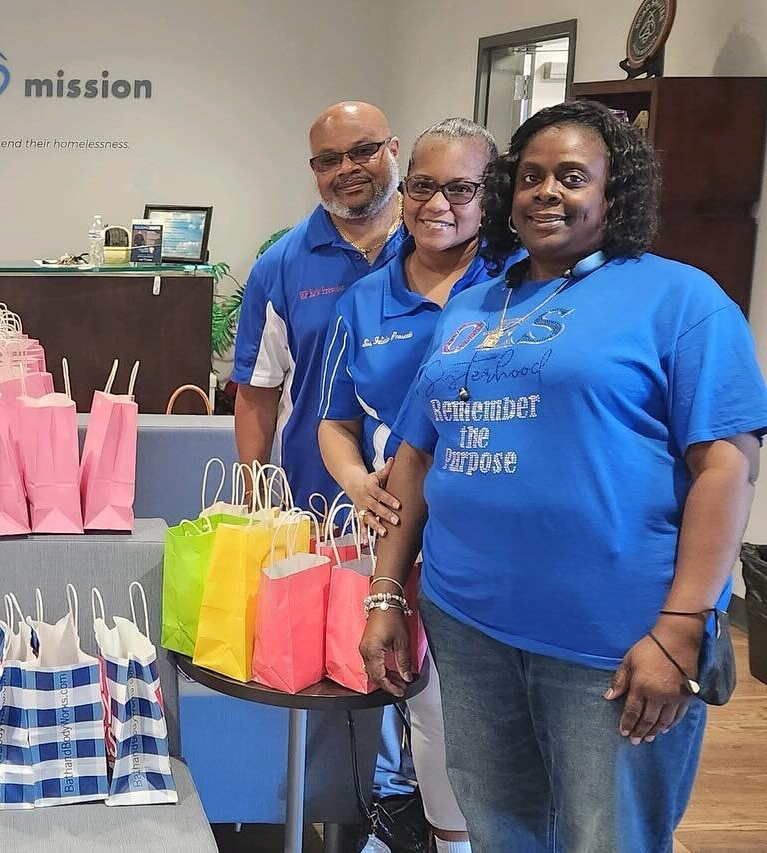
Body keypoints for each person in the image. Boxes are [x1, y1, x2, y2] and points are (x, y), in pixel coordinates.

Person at [361, 99, 767, 852]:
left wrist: (682, 625)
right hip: (468, 625)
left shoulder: (680, 301)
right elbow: (417, 456)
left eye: (574, 176)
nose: (549, 191)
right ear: (509, 191)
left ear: (615, 194)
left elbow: (725, 468)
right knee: (499, 828)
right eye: (534, 176)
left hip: (612, 641)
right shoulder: (473, 307)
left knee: (607, 838)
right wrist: (386, 591)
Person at [320, 117, 516, 853]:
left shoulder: (521, 288)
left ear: (489, 195)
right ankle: (447, 839)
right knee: (424, 700)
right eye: (425, 186)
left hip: (488, 534)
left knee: (491, 708)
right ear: (405, 191)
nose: (440, 203)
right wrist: (355, 485)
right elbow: (333, 421)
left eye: (461, 188)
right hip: (399, 536)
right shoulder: (364, 301)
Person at [230, 99, 417, 819]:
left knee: (428, 677)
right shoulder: (283, 265)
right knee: (338, 673)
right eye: (328, 160)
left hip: (437, 507)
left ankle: (419, 811)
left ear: (394, 148)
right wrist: (256, 495)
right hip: (321, 506)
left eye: (363, 151)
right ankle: (339, 816)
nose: (347, 171)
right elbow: (257, 392)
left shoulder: (445, 243)